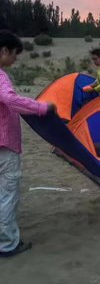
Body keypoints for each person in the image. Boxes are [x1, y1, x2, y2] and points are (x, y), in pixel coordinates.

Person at [0, 30, 56, 258]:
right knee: (7, 194)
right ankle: (7, 244)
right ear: (4, 51)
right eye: (14, 54)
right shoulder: (0, 76)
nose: (16, 59)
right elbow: (10, 99)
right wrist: (42, 108)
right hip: (4, 146)